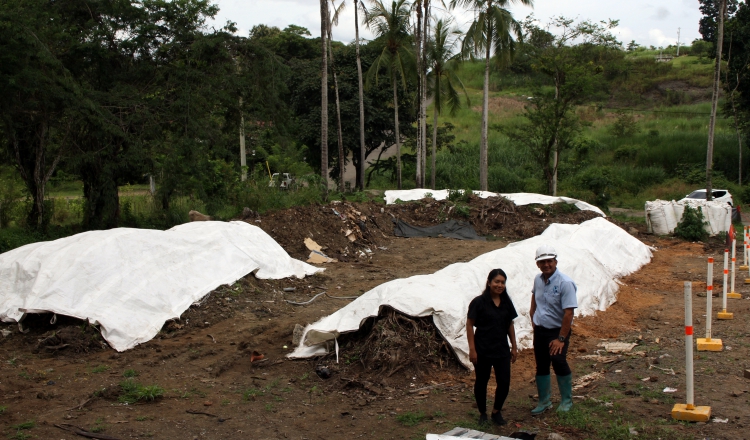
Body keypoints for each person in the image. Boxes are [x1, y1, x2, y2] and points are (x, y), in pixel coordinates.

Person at [529, 245, 578, 414]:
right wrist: (532, 316)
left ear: (555, 261)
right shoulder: (538, 279)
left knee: (558, 360)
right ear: (538, 264)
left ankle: (566, 401)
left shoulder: (565, 283)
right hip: (540, 330)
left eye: (549, 261)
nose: (546, 265)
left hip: (557, 331)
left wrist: (561, 338)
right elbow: (534, 297)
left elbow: (569, 313)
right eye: (542, 262)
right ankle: (544, 401)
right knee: (541, 364)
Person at [466, 268, 518, 426]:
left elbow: (510, 324)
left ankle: (496, 411)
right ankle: (482, 413)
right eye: (496, 281)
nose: (500, 285)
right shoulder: (479, 302)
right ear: (489, 283)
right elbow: (469, 325)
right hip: (482, 349)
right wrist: (472, 349)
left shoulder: (507, 302)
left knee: (504, 382)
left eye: (502, 282)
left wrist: (514, 347)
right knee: (482, 381)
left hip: (501, 349)